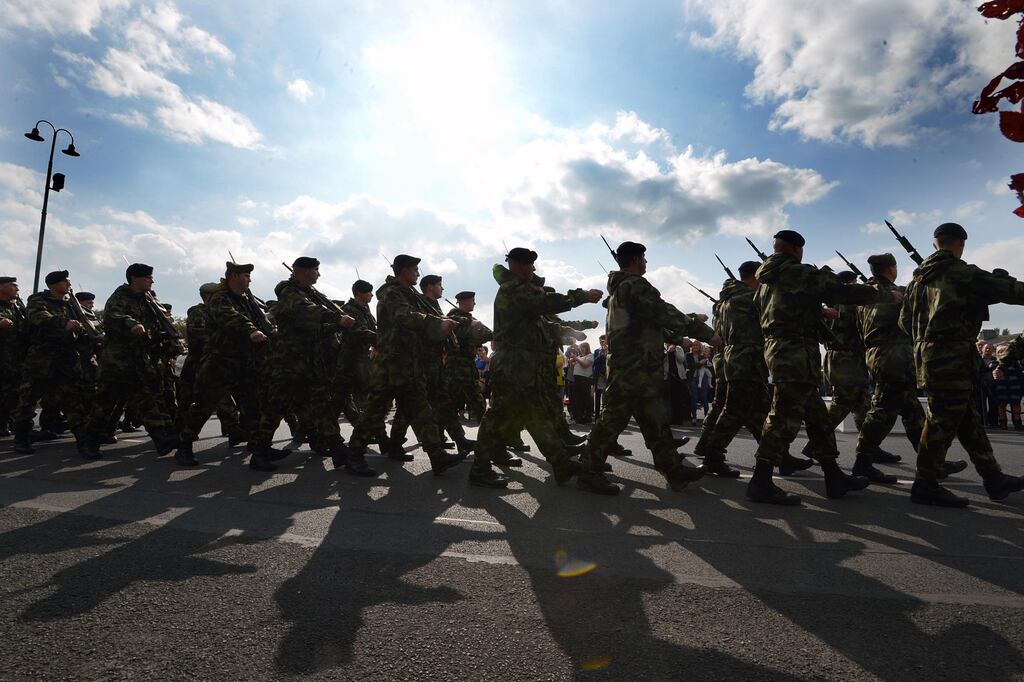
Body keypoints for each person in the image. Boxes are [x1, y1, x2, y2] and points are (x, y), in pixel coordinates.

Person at [746, 230, 890, 506]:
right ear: (798, 249)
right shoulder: (798, 272)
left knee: (818, 418)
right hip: (794, 353)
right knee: (782, 417)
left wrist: (813, 313)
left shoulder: (766, 281)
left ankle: (833, 476)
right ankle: (760, 482)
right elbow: (839, 291)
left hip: (785, 350)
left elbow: (770, 311)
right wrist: (882, 294)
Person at [579, 241, 719, 495]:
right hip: (634, 366)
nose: (646, 262)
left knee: (654, 418)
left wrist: (687, 326)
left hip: (636, 365)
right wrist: (704, 333)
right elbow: (662, 311)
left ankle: (673, 469)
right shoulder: (634, 285)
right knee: (613, 419)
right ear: (635, 259)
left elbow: (652, 323)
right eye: (644, 258)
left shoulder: (622, 289)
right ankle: (588, 469)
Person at [901, 222, 1024, 506]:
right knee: (941, 420)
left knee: (968, 420)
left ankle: (993, 477)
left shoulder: (915, 283)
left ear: (935, 244)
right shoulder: (962, 273)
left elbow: (904, 323)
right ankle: (925, 484)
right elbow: (1012, 291)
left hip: (929, 356)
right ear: (961, 244)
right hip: (953, 357)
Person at [470, 247, 603, 488]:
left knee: (537, 417)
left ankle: (560, 463)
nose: (533, 270)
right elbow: (547, 302)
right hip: (513, 367)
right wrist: (581, 296)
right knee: (496, 417)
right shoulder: (513, 290)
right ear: (520, 266)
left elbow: (547, 324)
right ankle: (479, 469)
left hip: (524, 368)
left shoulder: (520, 290)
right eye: (530, 265)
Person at [345, 254, 467, 476]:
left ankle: (437, 456)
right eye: (414, 270)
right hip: (392, 364)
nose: (418, 274)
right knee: (374, 411)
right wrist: (436, 323)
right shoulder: (392, 294)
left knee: (422, 411)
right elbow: (405, 317)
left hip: (409, 363)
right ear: (403, 271)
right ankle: (353, 455)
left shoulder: (409, 295)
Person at [853, 253, 967, 484]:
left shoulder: (866, 296)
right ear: (891, 269)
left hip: (878, 354)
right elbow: (911, 318)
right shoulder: (894, 293)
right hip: (892, 355)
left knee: (913, 412)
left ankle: (932, 462)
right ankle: (862, 464)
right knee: (883, 410)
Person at [85, 264, 180, 458]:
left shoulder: (147, 300)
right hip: (117, 362)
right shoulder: (119, 298)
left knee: (146, 399)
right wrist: (132, 324)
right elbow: (114, 316)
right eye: (148, 277)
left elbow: (153, 327)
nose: (152, 281)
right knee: (104, 403)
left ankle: (162, 439)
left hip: (138, 361)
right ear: (135, 278)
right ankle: (89, 441)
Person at [10, 270, 95, 458]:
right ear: (54, 284)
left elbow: (82, 325)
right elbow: (39, 317)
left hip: (66, 358)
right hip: (41, 358)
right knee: (28, 400)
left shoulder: (71, 304)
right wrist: (63, 322)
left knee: (73, 401)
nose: (68, 283)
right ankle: (21, 439)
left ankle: (83, 442)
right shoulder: (38, 300)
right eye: (65, 281)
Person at [446, 291, 492, 423]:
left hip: (467, 366)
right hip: (456, 366)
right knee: (450, 403)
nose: (475, 303)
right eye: (472, 300)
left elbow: (488, 334)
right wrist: (472, 323)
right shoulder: (453, 317)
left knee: (475, 402)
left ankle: (488, 436)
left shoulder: (471, 320)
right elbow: (459, 328)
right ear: (463, 301)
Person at [0, 276, 27, 438]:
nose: (17, 289)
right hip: (3, 355)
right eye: (12, 285)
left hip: (17, 356)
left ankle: (12, 423)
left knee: (14, 391)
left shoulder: (18, 306)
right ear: (1, 287)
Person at [571, 342, 594, 424]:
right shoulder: (580, 357)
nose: (581, 349)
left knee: (586, 398)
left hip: (584, 379)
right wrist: (572, 361)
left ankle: (588, 417)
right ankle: (579, 417)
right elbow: (573, 366)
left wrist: (576, 359)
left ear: (587, 348)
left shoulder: (590, 356)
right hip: (576, 379)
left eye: (583, 347)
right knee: (578, 399)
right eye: (580, 347)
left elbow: (585, 365)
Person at [593, 334, 608, 417]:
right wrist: (600, 354)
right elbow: (594, 363)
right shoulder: (596, 351)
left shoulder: (611, 350)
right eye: (600, 341)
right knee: (597, 397)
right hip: (599, 376)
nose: (601, 343)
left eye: (602, 341)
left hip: (608, 376)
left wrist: (606, 353)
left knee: (606, 397)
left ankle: (605, 415)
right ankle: (597, 416)